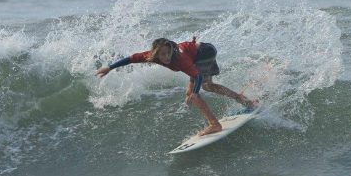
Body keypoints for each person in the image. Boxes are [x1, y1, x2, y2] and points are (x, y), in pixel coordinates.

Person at [95, 37, 257, 136]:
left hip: (205, 52)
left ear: (171, 50)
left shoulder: (180, 59)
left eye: (168, 53)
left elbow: (197, 76)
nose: (166, 57)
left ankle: (214, 124)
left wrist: (194, 92)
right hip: (203, 50)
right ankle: (244, 100)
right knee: (207, 87)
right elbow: (130, 59)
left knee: (197, 91)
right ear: (156, 54)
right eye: (162, 54)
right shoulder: (152, 56)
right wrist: (109, 68)